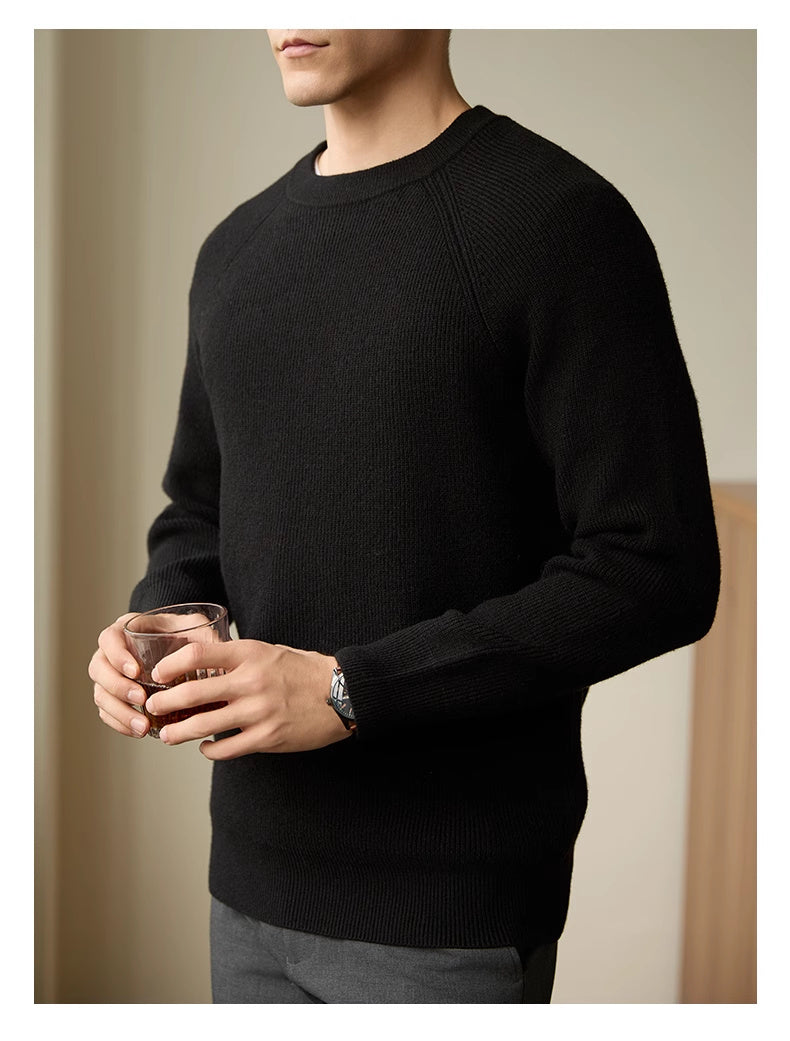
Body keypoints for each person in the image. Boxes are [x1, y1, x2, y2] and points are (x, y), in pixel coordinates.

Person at [88, 29, 721, 1003]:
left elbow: (656, 566)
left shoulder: (556, 222)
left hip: (447, 916)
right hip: (246, 885)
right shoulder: (235, 252)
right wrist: (155, 623)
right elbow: (199, 509)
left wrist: (353, 690)